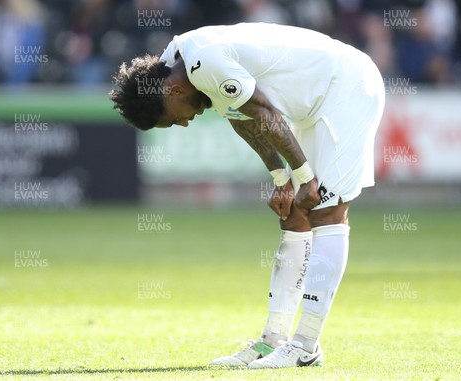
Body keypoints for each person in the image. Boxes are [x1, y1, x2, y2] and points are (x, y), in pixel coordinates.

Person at [109, 22, 384, 369]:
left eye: (173, 119)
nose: (185, 123)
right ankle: (273, 341)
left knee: (326, 210)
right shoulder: (170, 64)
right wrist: (281, 177)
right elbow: (242, 118)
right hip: (314, 100)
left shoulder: (202, 63)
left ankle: (306, 346)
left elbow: (263, 112)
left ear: (174, 92)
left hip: (346, 86)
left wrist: (304, 178)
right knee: (294, 214)